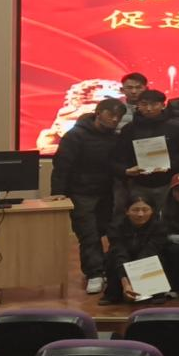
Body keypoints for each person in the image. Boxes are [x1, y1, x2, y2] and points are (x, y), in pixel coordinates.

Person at [50, 97, 127, 294]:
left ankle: (103, 270)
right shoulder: (75, 135)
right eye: (111, 115)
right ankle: (95, 274)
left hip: (107, 193)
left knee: (105, 231)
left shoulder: (115, 137)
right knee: (88, 234)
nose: (114, 119)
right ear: (98, 113)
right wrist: (58, 192)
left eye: (118, 117)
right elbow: (62, 166)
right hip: (80, 193)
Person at [113, 89, 179, 212]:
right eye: (144, 104)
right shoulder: (128, 129)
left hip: (169, 182)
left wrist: (170, 165)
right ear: (138, 105)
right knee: (140, 215)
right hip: (138, 183)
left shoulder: (177, 127)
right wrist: (127, 170)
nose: (149, 108)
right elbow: (119, 156)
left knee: (168, 215)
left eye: (154, 104)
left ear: (163, 105)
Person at [100, 194, 169, 305]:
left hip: (147, 259)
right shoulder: (115, 226)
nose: (140, 214)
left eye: (145, 210)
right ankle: (114, 293)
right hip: (124, 259)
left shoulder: (160, 226)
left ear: (152, 211)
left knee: (158, 257)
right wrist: (125, 283)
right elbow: (119, 252)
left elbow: (150, 251)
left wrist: (135, 279)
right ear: (127, 211)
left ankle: (155, 292)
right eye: (135, 210)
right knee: (112, 256)